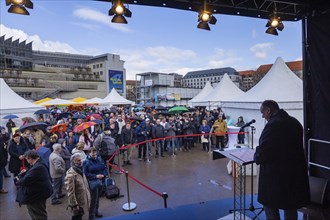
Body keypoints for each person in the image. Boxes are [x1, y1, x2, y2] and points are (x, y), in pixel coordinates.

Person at [254, 100, 310, 220]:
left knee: (270, 206)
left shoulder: (272, 125)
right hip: (294, 175)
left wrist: (256, 157)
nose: (262, 116)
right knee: (290, 207)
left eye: (263, 112)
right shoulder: (295, 122)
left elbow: (264, 150)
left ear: (268, 110)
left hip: (275, 176)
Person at [15, 150, 53, 220]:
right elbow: (32, 175)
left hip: (37, 195)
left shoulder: (38, 167)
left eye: (26, 159)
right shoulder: (39, 162)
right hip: (39, 193)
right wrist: (26, 172)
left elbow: (25, 181)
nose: (26, 161)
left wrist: (18, 179)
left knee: (38, 214)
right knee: (35, 212)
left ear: (30, 158)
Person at [83, 147, 107, 219]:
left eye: (95, 154)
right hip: (93, 182)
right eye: (93, 155)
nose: (95, 156)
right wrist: (95, 176)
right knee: (94, 199)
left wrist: (104, 174)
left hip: (101, 181)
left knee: (98, 197)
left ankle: (96, 211)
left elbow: (104, 167)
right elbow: (85, 174)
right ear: (89, 154)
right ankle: (91, 215)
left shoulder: (99, 159)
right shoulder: (86, 162)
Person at [65, 154, 91, 220]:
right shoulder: (71, 175)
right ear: (73, 162)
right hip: (77, 203)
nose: (80, 162)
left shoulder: (80, 170)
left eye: (81, 160)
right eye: (78, 160)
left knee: (80, 216)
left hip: (82, 199)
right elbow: (70, 192)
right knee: (76, 217)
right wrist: (74, 205)